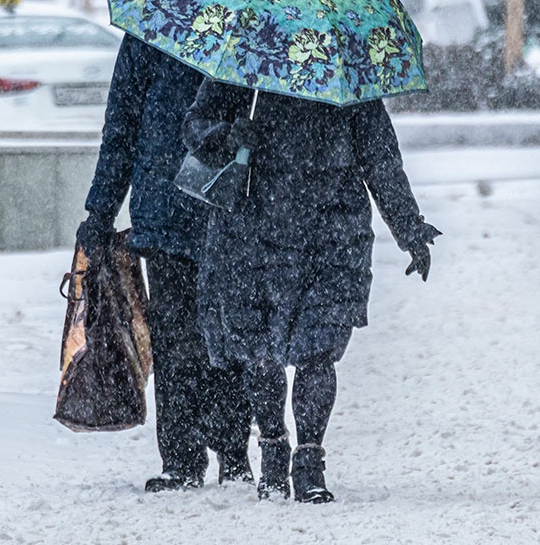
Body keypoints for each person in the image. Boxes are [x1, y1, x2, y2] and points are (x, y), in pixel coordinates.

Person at [182, 81, 440, 502]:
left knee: (318, 350)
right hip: (252, 230)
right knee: (259, 350)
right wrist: (227, 135)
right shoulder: (247, 64)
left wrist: (409, 227)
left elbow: (380, 157)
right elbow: (194, 124)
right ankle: (272, 449)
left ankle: (309, 462)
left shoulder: (347, 77)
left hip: (332, 236)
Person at [76, 0, 252, 493]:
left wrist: (101, 210)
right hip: (225, 208)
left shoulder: (150, 27)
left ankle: (182, 461)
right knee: (221, 333)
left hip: (169, 210)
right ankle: (231, 452)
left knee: (179, 337)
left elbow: (120, 128)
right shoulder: (245, 24)